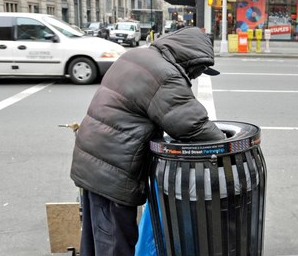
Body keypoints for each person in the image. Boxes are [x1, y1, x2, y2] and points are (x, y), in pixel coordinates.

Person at [70, 27, 225, 256]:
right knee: (116, 244)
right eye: (199, 69)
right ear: (190, 57)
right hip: (112, 172)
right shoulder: (165, 75)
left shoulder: (136, 56)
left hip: (94, 160)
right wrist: (225, 140)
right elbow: (193, 125)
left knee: (96, 239)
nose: (196, 75)